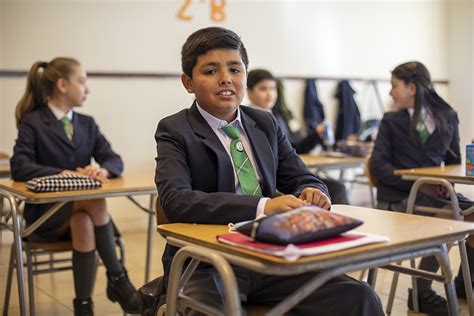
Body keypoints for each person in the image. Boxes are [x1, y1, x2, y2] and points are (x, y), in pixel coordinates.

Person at [155, 26, 384, 315]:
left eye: (235, 69)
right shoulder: (175, 129)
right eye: (210, 71)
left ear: (245, 76)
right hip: (208, 260)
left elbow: (301, 176)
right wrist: (264, 206)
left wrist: (312, 191)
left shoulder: (264, 123)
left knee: (360, 297)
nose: (226, 78)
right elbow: (176, 201)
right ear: (188, 82)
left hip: (271, 254)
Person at [10, 57, 140, 315]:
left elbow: (115, 160)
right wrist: (64, 173)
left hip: (80, 216)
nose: (87, 89)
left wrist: (101, 169)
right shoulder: (33, 121)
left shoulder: (87, 123)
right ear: (62, 85)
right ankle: (118, 278)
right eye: (81, 82)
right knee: (93, 198)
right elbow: (20, 166)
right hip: (45, 215)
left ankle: (83, 306)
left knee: (83, 220)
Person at [370, 61, 473, 315]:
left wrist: (441, 185)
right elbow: (379, 167)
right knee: (453, 218)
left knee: (472, 212)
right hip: (398, 196)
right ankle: (421, 291)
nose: (391, 92)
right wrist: (421, 185)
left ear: (412, 88)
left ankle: (464, 283)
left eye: (395, 86)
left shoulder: (447, 116)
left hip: (434, 196)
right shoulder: (391, 120)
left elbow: (451, 164)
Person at [247, 69, 349, 205]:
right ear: (249, 92)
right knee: (336, 189)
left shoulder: (280, 117)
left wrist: (316, 135)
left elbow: (295, 147)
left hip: (291, 175)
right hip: (273, 182)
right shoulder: (247, 122)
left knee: (333, 188)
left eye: (273, 88)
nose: (269, 94)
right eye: (263, 89)